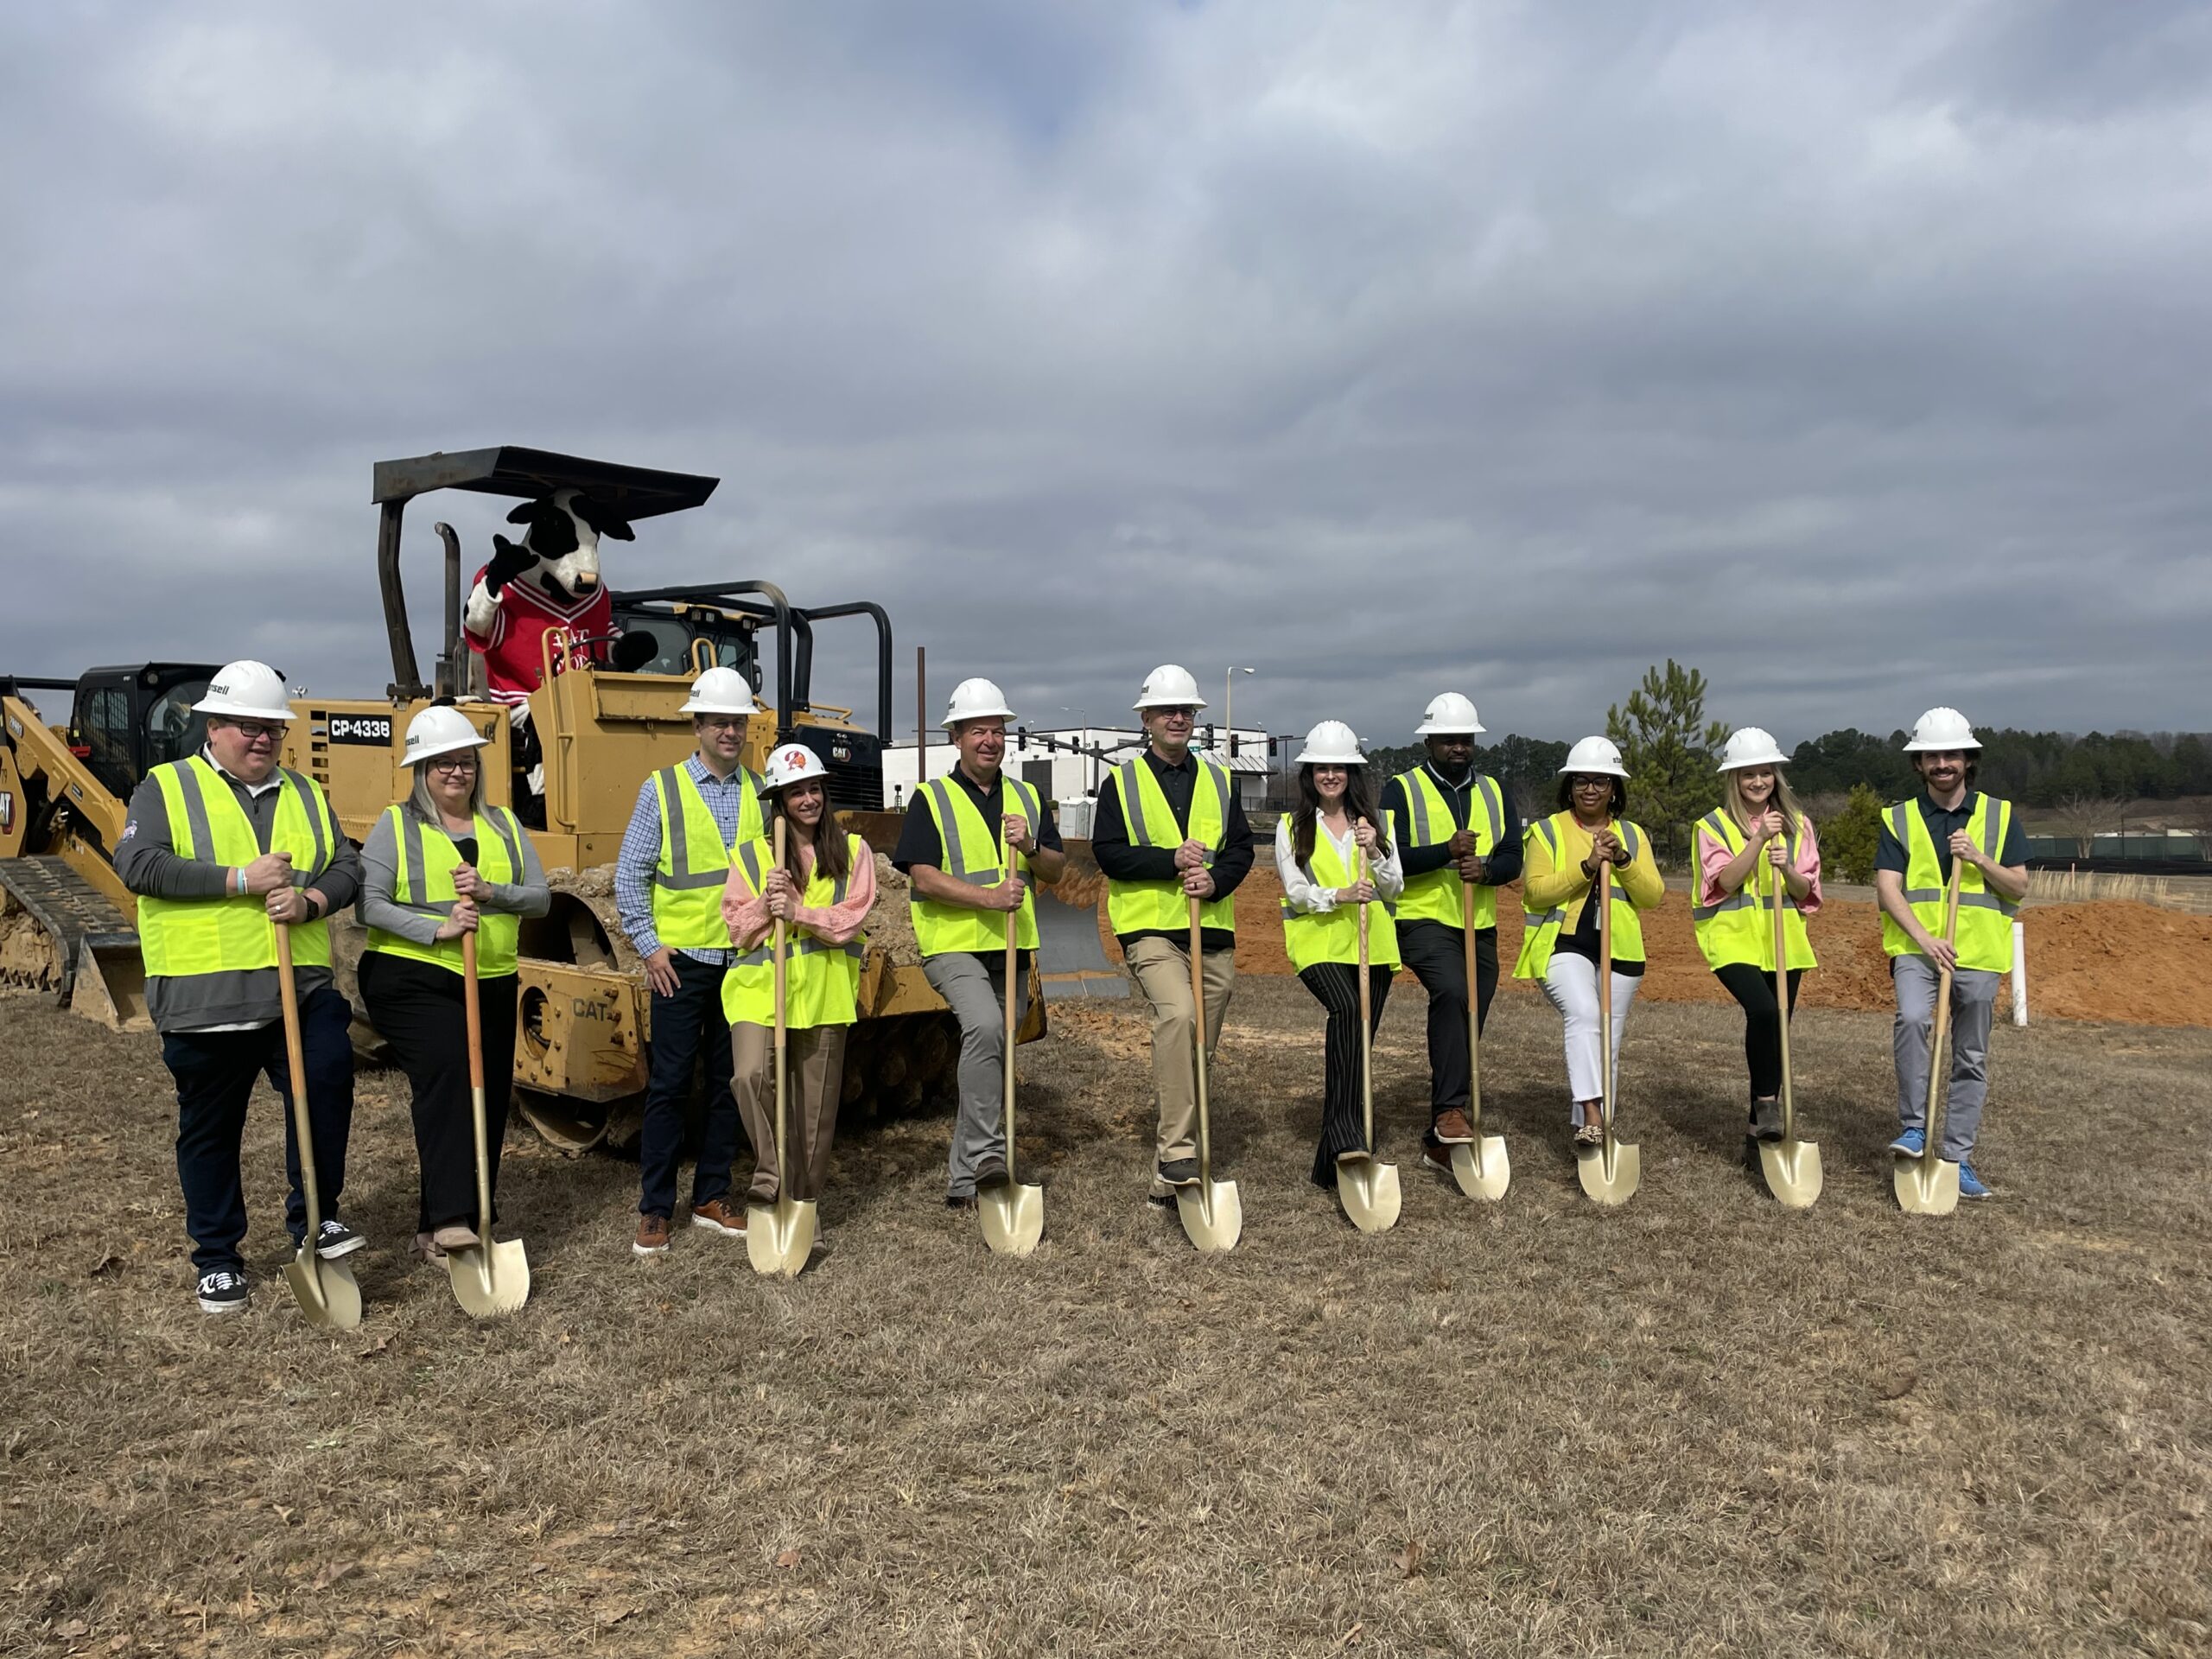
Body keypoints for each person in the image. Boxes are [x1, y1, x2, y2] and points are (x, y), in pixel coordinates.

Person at [114, 659, 365, 1314]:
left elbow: (345, 865)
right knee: (211, 1130)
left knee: (327, 1083)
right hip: (206, 999)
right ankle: (218, 1257)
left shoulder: (306, 792)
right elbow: (137, 864)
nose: (262, 739)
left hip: (299, 991)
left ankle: (315, 1218)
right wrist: (239, 881)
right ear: (213, 727)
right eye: (248, 726)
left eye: (272, 729)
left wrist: (310, 902)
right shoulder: (166, 787)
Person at [357, 706, 550, 1261]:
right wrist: (437, 929)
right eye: (443, 763)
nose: (456, 772)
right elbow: (369, 905)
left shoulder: (505, 824)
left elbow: (539, 898)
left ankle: (448, 1219)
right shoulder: (397, 825)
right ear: (421, 770)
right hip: (411, 975)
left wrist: (492, 894)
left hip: (490, 977)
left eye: (465, 761)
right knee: (448, 1075)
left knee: (486, 1094)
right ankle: (450, 1218)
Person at [894, 677, 1066, 1211]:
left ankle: (964, 1181)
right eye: (977, 731)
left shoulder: (1028, 798)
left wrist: (1030, 846)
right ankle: (989, 1155)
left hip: (1011, 949)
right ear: (956, 737)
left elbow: (1055, 871)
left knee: (995, 1049)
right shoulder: (931, 798)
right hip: (951, 945)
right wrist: (990, 898)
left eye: (997, 731)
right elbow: (922, 876)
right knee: (986, 1027)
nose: (990, 740)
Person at [614, 666, 766, 1256]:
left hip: (743, 960)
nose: (731, 731)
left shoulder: (761, 792)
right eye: (720, 722)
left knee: (731, 1083)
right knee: (671, 1085)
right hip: (681, 963)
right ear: (697, 726)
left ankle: (711, 1195)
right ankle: (655, 1208)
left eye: (739, 722)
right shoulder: (662, 789)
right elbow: (631, 873)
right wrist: (649, 945)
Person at [1091, 664, 1257, 1203]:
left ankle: (1171, 1166)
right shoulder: (1121, 784)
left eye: (1186, 710)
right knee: (1179, 1016)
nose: (1178, 718)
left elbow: (1241, 849)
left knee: (1198, 1043)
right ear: (1146, 719)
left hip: (1210, 929)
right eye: (1167, 711)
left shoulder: (1221, 781)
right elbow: (1108, 854)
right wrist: (1171, 861)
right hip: (1150, 930)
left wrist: (1215, 880)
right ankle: (1177, 1152)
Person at [1874, 706, 2028, 1200]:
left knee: (1971, 1055)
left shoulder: (1999, 815)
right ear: (1919, 764)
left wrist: (1978, 857)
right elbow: (1888, 889)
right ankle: (1915, 1128)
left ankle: (1957, 1157)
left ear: (1968, 760)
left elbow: (2019, 886)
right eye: (1932, 757)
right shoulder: (1898, 818)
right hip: (1917, 950)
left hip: (1978, 953)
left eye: (1951, 755)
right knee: (1912, 1019)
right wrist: (1925, 939)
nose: (1942, 764)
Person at [721, 743, 875, 1228]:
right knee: (749, 1076)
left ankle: (803, 1211)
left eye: (814, 789)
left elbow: (851, 919)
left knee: (814, 1116)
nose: (808, 799)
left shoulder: (853, 851)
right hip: (758, 993)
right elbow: (737, 929)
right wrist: (766, 904)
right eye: (795, 792)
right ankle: (772, 1173)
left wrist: (799, 911)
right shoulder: (752, 856)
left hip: (825, 995)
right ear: (779, 801)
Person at [1379, 693, 1522, 1174]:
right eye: (1448, 739)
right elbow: (1388, 859)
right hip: (1421, 918)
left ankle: (1440, 1140)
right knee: (1454, 993)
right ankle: (1450, 1111)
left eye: (1466, 739)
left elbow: (1513, 856)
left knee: (1470, 1012)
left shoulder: (1495, 791)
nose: (1458, 746)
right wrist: (1446, 850)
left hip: (1478, 924)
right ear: (1429, 742)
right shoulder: (1401, 789)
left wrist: (1487, 870)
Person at [1513, 736, 1666, 1146]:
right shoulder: (1548, 831)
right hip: (1563, 945)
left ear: (1614, 788)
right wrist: (1587, 866)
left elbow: (1653, 895)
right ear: (1570, 786)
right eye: (1582, 780)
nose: (1590, 789)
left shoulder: (1632, 835)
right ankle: (1592, 1113)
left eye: (1601, 781)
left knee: (1607, 1040)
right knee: (1584, 1014)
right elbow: (1536, 892)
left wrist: (1623, 861)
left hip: (1621, 950)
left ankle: (1596, 1132)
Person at [1277, 722, 1403, 1189]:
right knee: (1347, 1010)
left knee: (1358, 1043)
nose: (1330, 775)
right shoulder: (1291, 826)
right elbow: (1295, 890)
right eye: (1321, 768)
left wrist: (1376, 851)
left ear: (1353, 773)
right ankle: (1350, 1135)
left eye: (1339, 767)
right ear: (1309, 774)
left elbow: (1395, 887)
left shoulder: (1378, 823)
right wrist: (1340, 894)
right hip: (1319, 943)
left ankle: (1333, 1157)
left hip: (1374, 945)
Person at [1692, 728, 1821, 1141]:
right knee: (1764, 1012)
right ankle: (1767, 1101)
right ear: (1734, 779)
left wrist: (1787, 869)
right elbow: (1726, 881)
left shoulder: (1799, 825)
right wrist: (1760, 838)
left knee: (1776, 1030)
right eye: (1748, 774)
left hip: (1784, 942)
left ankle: (1757, 1137)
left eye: (1765, 773)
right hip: (1732, 939)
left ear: (1776, 776)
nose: (1758, 781)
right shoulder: (1711, 826)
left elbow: (1806, 892)